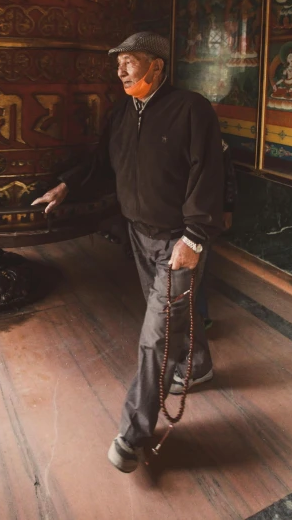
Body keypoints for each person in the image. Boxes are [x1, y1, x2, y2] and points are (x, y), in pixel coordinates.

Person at [32, 32, 224, 473]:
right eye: (117, 63)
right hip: (140, 236)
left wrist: (194, 238)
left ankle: (133, 435)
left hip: (179, 239)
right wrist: (67, 186)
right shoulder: (123, 113)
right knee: (175, 315)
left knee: (156, 336)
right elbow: (103, 164)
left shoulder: (190, 109)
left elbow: (209, 173)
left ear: (156, 66)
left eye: (129, 62)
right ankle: (197, 365)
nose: (119, 70)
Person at [195, 140, 237, 331]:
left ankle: (200, 316)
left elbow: (229, 177)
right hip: (179, 215)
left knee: (200, 269)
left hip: (206, 214)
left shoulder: (219, 145)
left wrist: (227, 209)